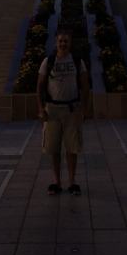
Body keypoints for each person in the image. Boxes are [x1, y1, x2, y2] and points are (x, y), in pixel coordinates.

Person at [37, 30, 89, 195]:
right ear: (56, 43)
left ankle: (72, 182)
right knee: (53, 147)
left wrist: (84, 108)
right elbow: (40, 85)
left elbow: (85, 85)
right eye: (60, 41)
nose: (63, 44)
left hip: (71, 109)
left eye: (66, 41)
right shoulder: (48, 61)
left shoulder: (77, 61)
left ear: (70, 43)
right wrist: (41, 108)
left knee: (72, 147)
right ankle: (56, 182)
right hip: (52, 110)